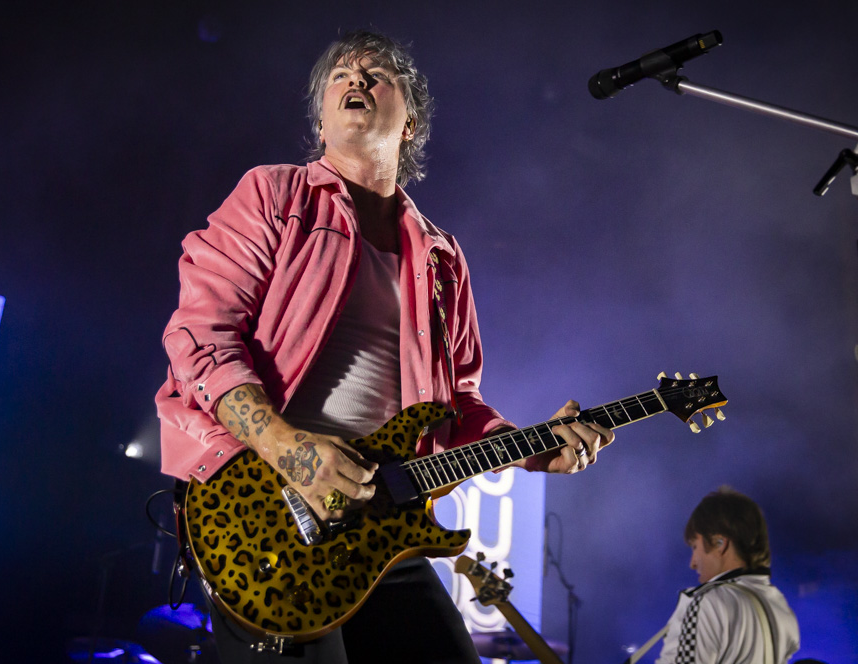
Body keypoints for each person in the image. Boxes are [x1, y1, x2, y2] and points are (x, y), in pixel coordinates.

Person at [155, 29, 613, 663]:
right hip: (266, 509)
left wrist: (532, 447)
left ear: (411, 123)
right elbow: (200, 337)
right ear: (320, 121)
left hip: (385, 524)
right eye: (340, 76)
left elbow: (457, 404)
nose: (356, 80)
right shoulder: (272, 195)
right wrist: (287, 449)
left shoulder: (441, 257)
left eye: (377, 75)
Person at [654, 488, 800, 664]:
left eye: (695, 547)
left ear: (720, 543)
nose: (692, 563)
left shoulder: (706, 603)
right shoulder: (779, 606)